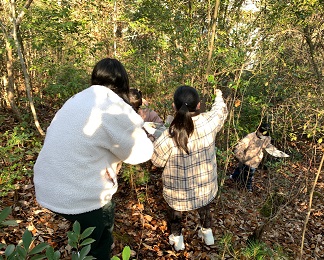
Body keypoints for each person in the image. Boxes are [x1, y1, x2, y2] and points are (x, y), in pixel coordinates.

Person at [33, 58, 154, 260]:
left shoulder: (77, 99)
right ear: (123, 83)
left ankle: (81, 246)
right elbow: (141, 153)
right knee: (100, 243)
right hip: (79, 194)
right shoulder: (113, 107)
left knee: (86, 235)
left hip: (48, 184)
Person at [151, 86, 228, 251]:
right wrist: (218, 94)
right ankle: (207, 234)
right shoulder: (209, 122)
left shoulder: (169, 135)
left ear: (174, 106)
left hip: (178, 193)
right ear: (199, 105)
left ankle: (177, 239)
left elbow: (156, 161)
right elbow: (220, 110)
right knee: (205, 205)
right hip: (205, 188)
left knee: (175, 211)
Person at [230, 123, 286, 192]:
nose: (263, 135)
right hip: (245, 158)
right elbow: (241, 146)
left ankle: (247, 188)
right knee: (240, 169)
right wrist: (240, 156)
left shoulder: (267, 138)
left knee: (249, 175)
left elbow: (268, 146)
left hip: (255, 160)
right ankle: (235, 178)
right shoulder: (250, 136)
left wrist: (277, 153)